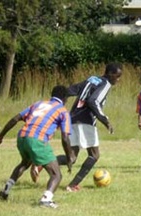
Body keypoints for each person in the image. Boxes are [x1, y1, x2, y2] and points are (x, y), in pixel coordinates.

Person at [41, 63, 123, 192]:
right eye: (118, 76)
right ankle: (72, 185)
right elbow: (93, 101)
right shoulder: (106, 84)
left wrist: (58, 101)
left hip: (72, 118)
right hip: (86, 120)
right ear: (111, 74)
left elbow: (73, 89)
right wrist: (105, 120)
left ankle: (42, 163)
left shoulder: (92, 79)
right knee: (94, 155)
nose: (118, 80)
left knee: (72, 157)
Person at [0, 85, 75, 208]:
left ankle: (5, 191)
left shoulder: (38, 104)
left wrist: (0, 136)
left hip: (22, 137)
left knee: (24, 163)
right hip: (37, 140)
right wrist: (69, 157)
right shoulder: (63, 111)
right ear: (65, 98)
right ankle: (46, 199)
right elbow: (65, 137)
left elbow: (16, 118)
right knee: (56, 174)